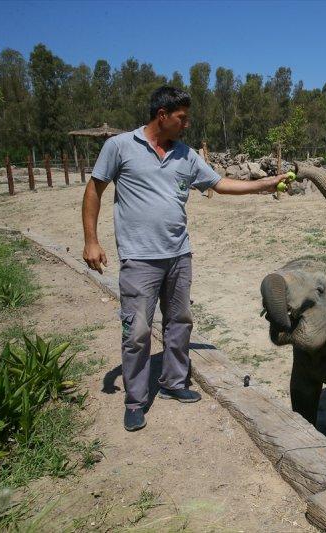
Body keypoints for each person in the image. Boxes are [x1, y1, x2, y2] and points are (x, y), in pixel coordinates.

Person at [82, 86, 288, 431]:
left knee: (179, 322)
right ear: (162, 115)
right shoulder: (119, 147)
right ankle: (134, 400)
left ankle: (173, 383)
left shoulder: (186, 155)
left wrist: (265, 184)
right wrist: (91, 240)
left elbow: (219, 184)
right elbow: (94, 189)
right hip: (139, 259)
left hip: (179, 255)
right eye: (182, 117)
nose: (186, 124)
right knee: (137, 332)